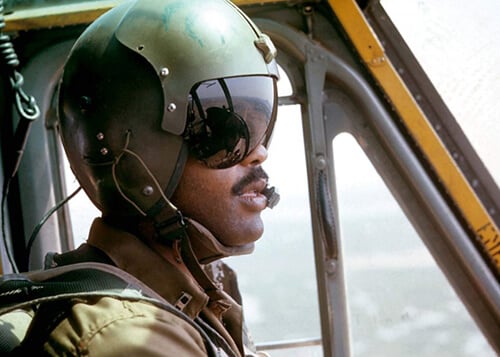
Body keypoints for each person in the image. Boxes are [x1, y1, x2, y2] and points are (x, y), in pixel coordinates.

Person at [12, 0, 280, 355]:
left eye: (261, 122)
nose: (258, 152)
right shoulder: (129, 340)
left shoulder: (192, 294)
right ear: (141, 158)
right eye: (226, 134)